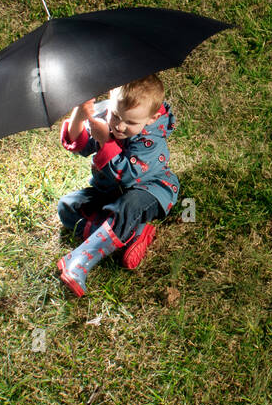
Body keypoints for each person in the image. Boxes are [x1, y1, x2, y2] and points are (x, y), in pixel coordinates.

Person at [54, 74, 179, 296]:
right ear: (111, 98)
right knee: (67, 207)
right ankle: (134, 233)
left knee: (127, 206)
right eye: (116, 115)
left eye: (130, 122)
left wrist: (106, 140)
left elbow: (127, 176)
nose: (120, 125)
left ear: (151, 118)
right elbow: (81, 146)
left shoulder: (152, 141)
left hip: (147, 191)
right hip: (109, 191)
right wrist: (79, 116)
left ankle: (80, 260)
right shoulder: (109, 114)